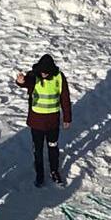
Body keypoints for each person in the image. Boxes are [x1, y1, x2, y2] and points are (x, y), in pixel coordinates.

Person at [15, 54, 72, 187]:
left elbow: (65, 98)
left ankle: (54, 171)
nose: (44, 74)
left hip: (52, 122)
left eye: (47, 72)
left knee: (53, 147)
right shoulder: (33, 75)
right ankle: (39, 174)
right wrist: (21, 81)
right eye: (42, 71)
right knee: (38, 150)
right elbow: (25, 82)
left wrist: (67, 117)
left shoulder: (59, 77)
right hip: (36, 123)